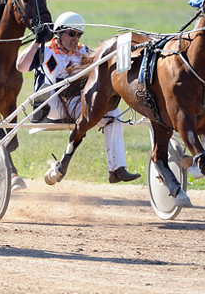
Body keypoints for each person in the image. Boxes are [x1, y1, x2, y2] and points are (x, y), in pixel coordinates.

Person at [16, 11, 141, 184]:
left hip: (75, 103)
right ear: (58, 33)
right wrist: (37, 41)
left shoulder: (85, 53)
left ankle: (117, 169)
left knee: (115, 115)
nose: (76, 38)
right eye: (71, 34)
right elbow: (21, 66)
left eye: (79, 34)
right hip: (48, 105)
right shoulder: (45, 50)